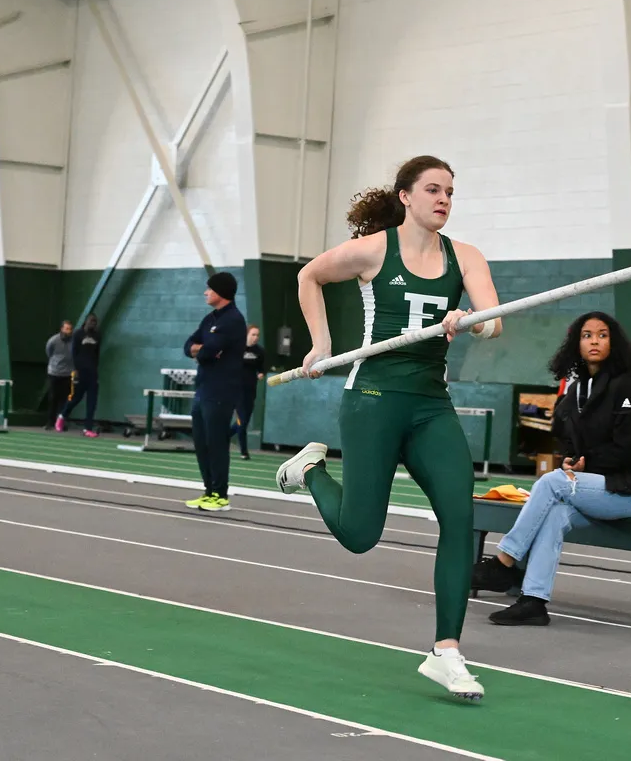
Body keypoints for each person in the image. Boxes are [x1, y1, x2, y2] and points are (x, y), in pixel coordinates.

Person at [274, 155, 503, 701]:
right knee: (360, 536)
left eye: (450, 191)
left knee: (459, 513)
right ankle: (310, 470)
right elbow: (309, 275)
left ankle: (446, 650)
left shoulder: (465, 256)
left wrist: (468, 322)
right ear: (406, 196)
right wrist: (322, 345)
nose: (443, 199)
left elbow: (494, 322)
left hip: (430, 403)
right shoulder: (375, 249)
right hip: (373, 398)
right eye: (432, 190)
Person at [471, 311, 631, 626]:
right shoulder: (578, 390)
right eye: (587, 335)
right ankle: (534, 601)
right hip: (594, 490)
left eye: (602, 334)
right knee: (554, 513)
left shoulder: (630, 387)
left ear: (614, 342)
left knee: (552, 482)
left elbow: (628, 448)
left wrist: (585, 465)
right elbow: (573, 443)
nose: (594, 341)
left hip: (628, 491)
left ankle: (505, 560)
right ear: (576, 344)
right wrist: (572, 460)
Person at [183, 272, 247, 512]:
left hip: (221, 390)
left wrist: (204, 350)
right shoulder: (210, 319)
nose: (205, 292)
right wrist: (202, 349)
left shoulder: (233, 320)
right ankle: (208, 491)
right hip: (203, 389)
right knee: (201, 443)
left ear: (221, 292)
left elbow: (208, 351)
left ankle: (221, 495)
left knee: (216, 442)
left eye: (209, 289)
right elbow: (189, 345)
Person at [57, 314, 101, 437]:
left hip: (92, 373)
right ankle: (62, 416)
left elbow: (97, 354)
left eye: (95, 322)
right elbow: (73, 352)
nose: (93, 323)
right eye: (91, 321)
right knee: (76, 398)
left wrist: (95, 369)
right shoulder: (78, 334)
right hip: (80, 372)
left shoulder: (97, 336)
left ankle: (87, 429)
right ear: (86, 321)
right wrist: (75, 370)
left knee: (92, 402)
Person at [229, 324, 266, 460]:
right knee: (242, 421)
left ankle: (222, 438)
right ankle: (244, 451)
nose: (255, 337)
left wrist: (261, 373)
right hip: (237, 389)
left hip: (251, 390)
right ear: (247, 335)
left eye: (257, 335)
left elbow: (262, 368)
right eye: (253, 334)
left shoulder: (259, 352)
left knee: (243, 421)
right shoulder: (237, 349)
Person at [44, 320, 74, 429]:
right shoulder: (53, 341)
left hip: (67, 374)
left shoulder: (74, 341)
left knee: (65, 400)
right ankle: (50, 422)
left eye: (70, 329)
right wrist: (55, 364)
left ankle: (61, 423)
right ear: (61, 329)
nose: (68, 331)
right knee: (53, 398)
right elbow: (48, 352)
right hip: (54, 373)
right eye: (66, 328)